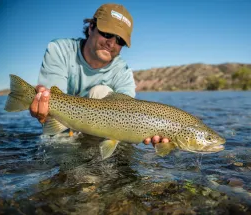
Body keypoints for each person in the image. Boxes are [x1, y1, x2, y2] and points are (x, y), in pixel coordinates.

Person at [29, 3, 169, 146]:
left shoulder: (123, 72)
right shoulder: (59, 50)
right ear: (91, 28)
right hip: (62, 130)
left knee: (102, 92)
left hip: (100, 133)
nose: (111, 43)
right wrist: (42, 102)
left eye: (120, 40)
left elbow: (128, 115)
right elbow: (51, 100)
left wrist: (149, 129)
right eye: (107, 34)